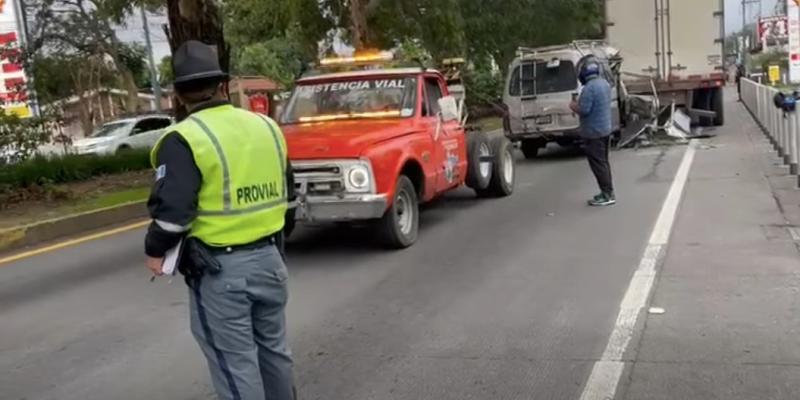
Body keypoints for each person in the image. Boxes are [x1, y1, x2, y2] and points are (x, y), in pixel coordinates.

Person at [144, 40, 296, 400]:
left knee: (235, 364)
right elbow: (289, 198)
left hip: (222, 272)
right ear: (223, 86)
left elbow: (173, 216)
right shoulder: (267, 127)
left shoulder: (183, 138)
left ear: (178, 95)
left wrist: (155, 250)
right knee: (274, 352)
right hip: (271, 261)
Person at [569, 56, 615, 206]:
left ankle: (607, 194)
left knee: (598, 164)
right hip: (605, 130)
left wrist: (573, 105)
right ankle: (608, 191)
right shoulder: (604, 84)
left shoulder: (589, 89)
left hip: (593, 133)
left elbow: (584, 110)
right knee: (604, 162)